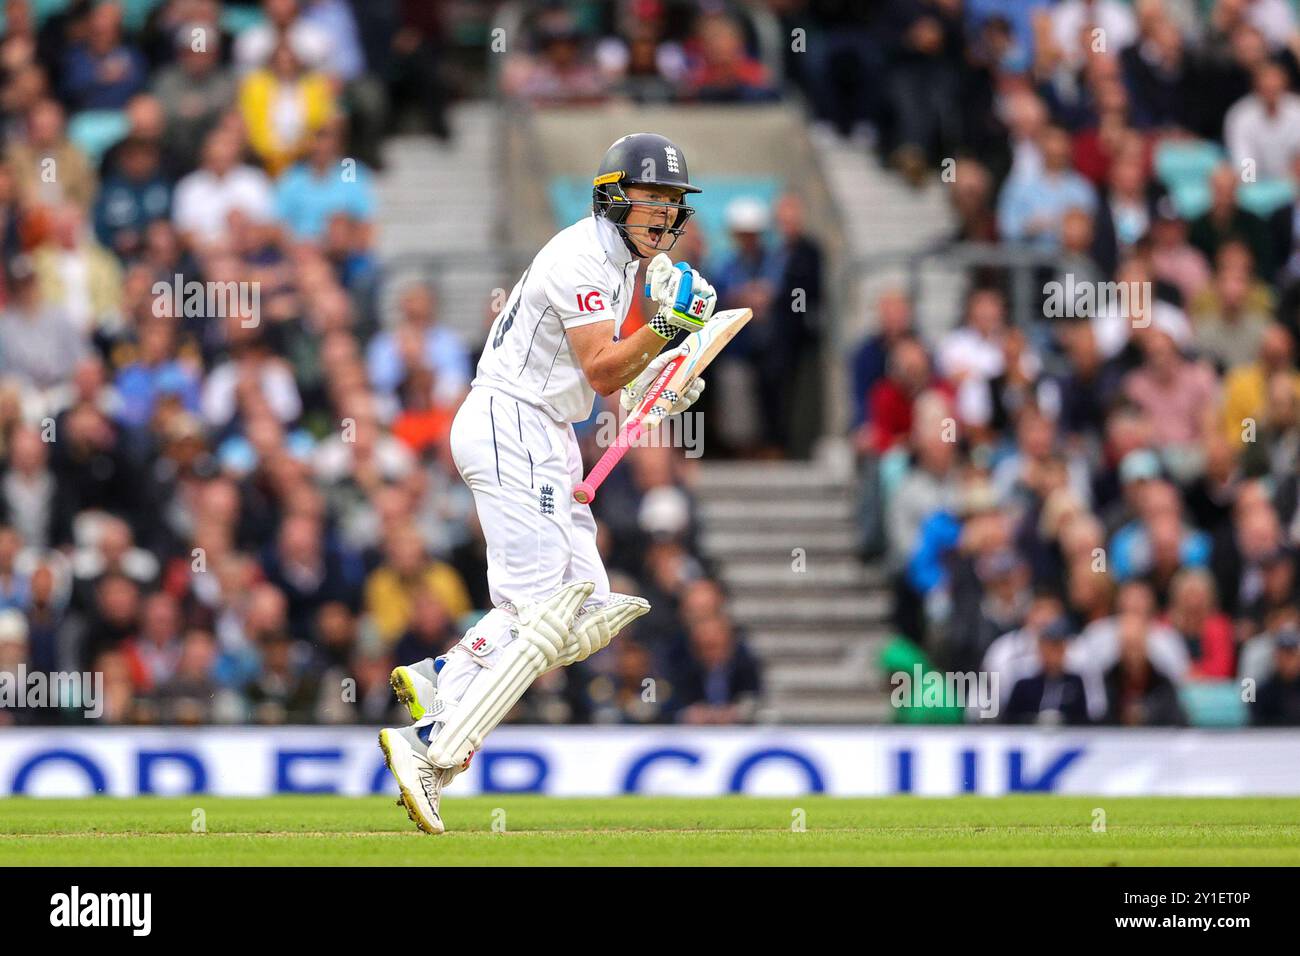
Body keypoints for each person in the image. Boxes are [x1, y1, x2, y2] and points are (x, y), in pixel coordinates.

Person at [377, 133, 717, 834]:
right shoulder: (580, 256)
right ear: (615, 196)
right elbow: (600, 368)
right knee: (540, 615)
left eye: (673, 204)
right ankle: (432, 749)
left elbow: (615, 373)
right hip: (513, 423)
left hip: (547, 434)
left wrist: (663, 378)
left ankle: (449, 675)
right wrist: (666, 331)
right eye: (652, 200)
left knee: (587, 608)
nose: (664, 216)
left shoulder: (623, 261)